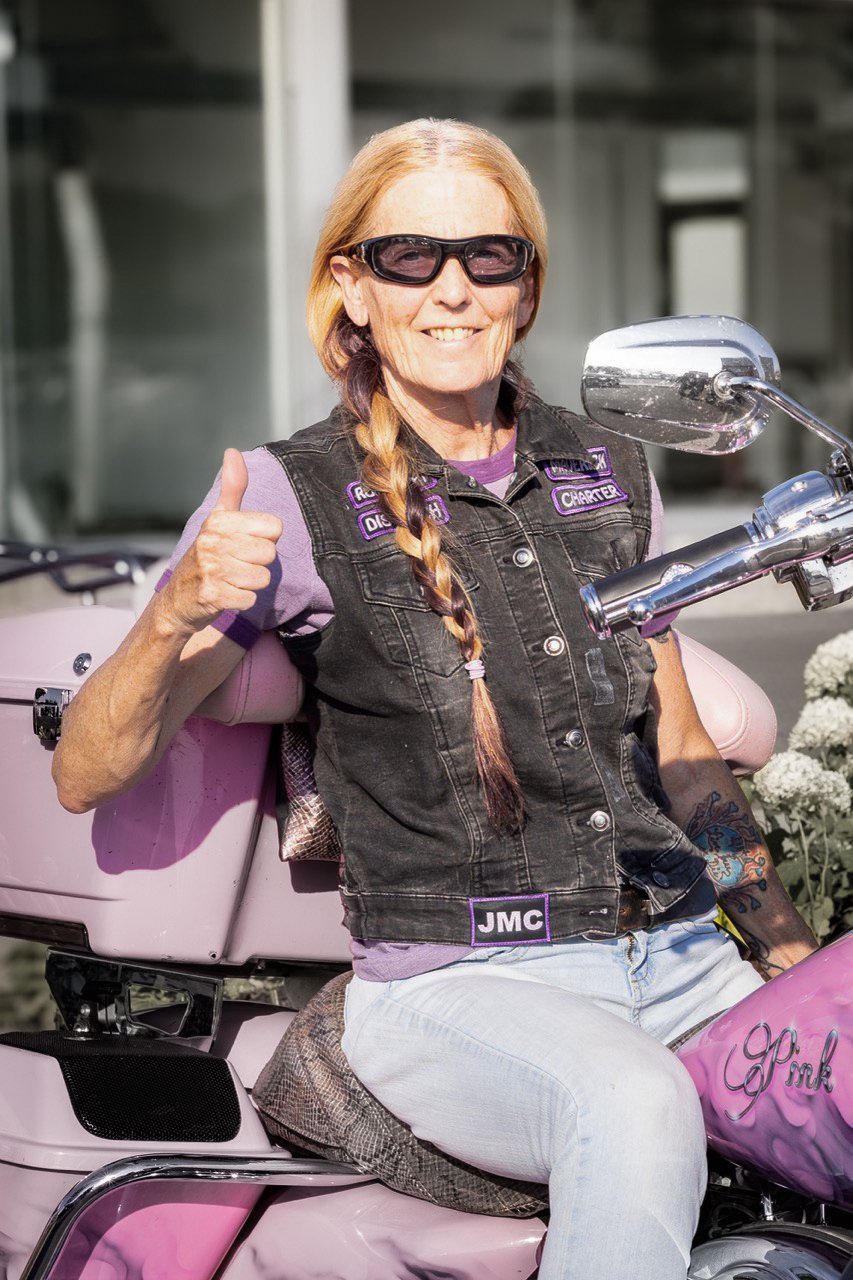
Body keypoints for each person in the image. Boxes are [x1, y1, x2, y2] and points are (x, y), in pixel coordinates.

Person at [52, 118, 816, 1280]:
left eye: (488, 258)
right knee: (633, 1097)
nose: (451, 289)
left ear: (526, 289)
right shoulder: (287, 494)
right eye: (411, 256)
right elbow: (85, 770)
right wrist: (171, 616)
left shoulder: (605, 471)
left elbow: (681, 745)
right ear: (350, 288)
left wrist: (788, 953)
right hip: (462, 985)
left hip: (672, 953)